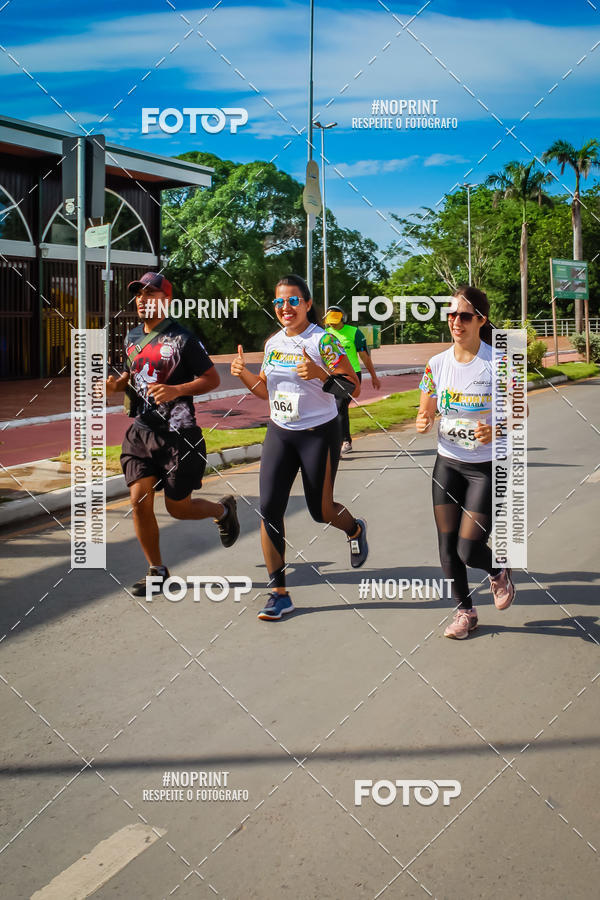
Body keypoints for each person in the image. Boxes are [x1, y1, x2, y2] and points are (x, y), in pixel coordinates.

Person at [231, 274, 368, 620]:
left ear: (307, 304)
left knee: (320, 511)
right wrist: (244, 374)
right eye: (279, 302)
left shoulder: (323, 341)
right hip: (280, 432)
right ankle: (279, 592)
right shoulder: (273, 343)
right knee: (269, 508)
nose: (285, 307)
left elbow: (353, 388)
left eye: (293, 300)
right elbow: (266, 392)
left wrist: (322, 375)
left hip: (318, 434)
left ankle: (354, 528)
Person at [106, 272, 240, 596]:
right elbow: (132, 373)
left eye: (150, 293)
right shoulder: (132, 336)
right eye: (138, 293)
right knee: (139, 501)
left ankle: (223, 511)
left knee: (178, 508)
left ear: (166, 300)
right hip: (141, 432)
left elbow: (211, 379)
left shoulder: (184, 340)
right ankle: (157, 570)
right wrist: (118, 384)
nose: (141, 299)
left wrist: (175, 389)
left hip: (179, 435)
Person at [416, 285, 515, 640]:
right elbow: (426, 408)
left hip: (485, 467)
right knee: (447, 547)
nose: (456, 321)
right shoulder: (436, 364)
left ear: (480, 321)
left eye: (465, 316)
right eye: (452, 314)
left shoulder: (498, 361)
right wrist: (423, 420)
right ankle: (465, 612)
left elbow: (522, 409)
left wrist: (498, 427)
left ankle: (498, 570)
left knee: (469, 546)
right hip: (448, 463)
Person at [323, 305, 381, 453]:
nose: (332, 324)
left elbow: (364, 357)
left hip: (351, 375)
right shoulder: (324, 334)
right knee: (334, 408)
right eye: (330, 321)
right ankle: (336, 440)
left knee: (339, 406)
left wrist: (374, 376)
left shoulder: (354, 333)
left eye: (335, 321)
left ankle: (345, 441)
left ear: (343, 318)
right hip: (332, 375)